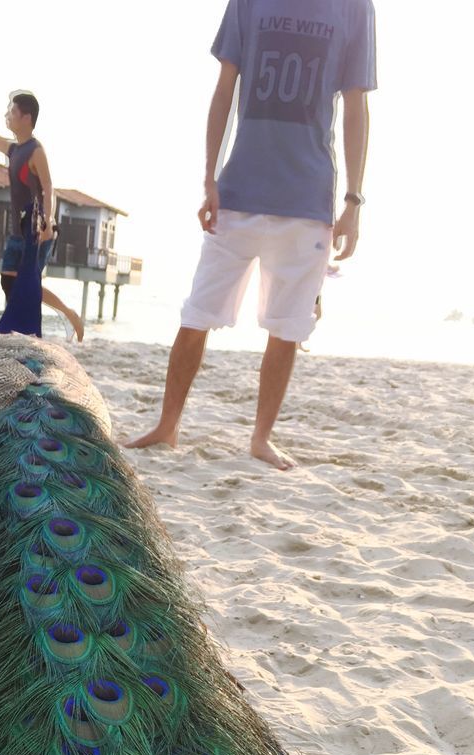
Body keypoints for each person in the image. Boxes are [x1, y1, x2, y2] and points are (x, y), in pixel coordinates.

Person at [128, 0, 377, 469]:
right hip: (238, 190)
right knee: (196, 315)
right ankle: (168, 425)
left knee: (286, 328)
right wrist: (209, 177)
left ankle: (261, 439)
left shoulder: (355, 8)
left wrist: (354, 201)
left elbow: (356, 106)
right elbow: (225, 89)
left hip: (307, 200)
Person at [0, 85, 84, 342]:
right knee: (11, 284)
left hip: (37, 230)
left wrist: (48, 220)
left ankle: (43, 327)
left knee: (25, 286)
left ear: (26, 117)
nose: (7, 115)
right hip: (17, 231)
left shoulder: (35, 151)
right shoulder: (14, 149)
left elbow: (48, 187)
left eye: (11, 111)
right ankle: (35, 329)